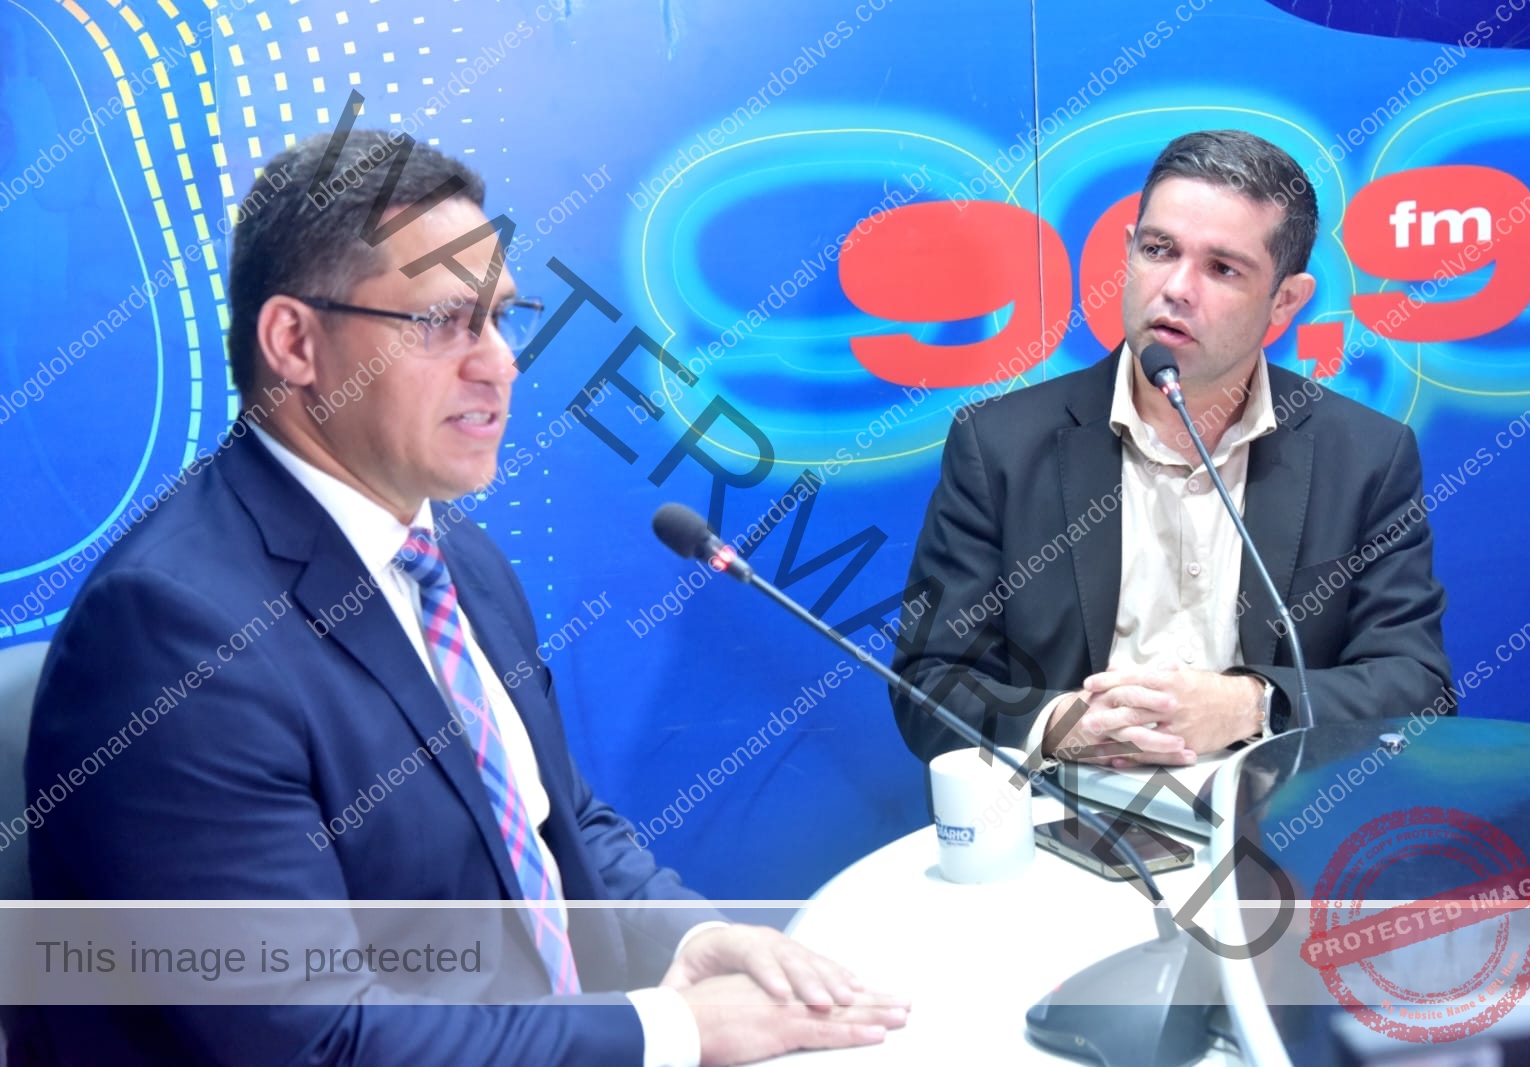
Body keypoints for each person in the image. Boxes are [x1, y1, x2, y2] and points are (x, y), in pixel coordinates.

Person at [19, 130, 906, 1066]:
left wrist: (690, 940)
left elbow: (553, 821)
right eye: (444, 321)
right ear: (294, 342)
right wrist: (677, 1028)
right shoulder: (170, 631)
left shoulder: (451, 552)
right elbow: (311, 1038)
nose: (499, 363)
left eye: (500, 318)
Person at [890, 129, 1454, 769]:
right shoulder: (1000, 446)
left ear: (1285, 301)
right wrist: (1062, 726)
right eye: (1159, 250)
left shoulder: (1366, 457)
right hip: (1071, 807)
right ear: (1129, 252)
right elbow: (931, 681)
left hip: (1281, 811)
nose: (1177, 287)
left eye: (1222, 268)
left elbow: (1418, 687)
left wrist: (1250, 705)